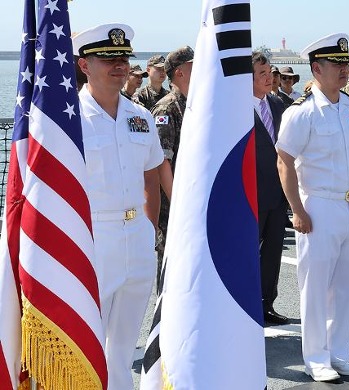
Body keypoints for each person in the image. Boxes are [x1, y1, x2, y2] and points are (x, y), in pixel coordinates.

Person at [276, 33, 349, 382]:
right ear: (316, 68)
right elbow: (284, 161)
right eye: (337, 64)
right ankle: (316, 357)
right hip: (318, 205)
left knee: (346, 285)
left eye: (346, 64)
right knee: (315, 287)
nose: (345, 70)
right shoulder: (301, 112)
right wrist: (297, 210)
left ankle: (339, 352)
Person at [72, 23, 164, 390]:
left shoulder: (139, 116)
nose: (119, 64)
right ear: (83, 65)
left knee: (125, 340)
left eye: (123, 57)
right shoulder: (68, 119)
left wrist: (150, 229)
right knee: (86, 334)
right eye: (107, 57)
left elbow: (151, 178)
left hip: (136, 235)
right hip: (92, 236)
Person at [250, 51, 290, 325]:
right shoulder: (235, 109)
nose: (269, 78)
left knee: (273, 251)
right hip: (250, 193)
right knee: (248, 252)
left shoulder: (277, 105)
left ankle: (267, 303)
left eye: (270, 73)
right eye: (262, 74)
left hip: (278, 194)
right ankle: (247, 304)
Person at [151, 46, 194, 288]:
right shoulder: (167, 108)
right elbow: (161, 162)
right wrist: (178, 202)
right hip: (173, 207)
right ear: (179, 72)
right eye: (192, 66)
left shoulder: (193, 105)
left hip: (191, 201)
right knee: (171, 272)